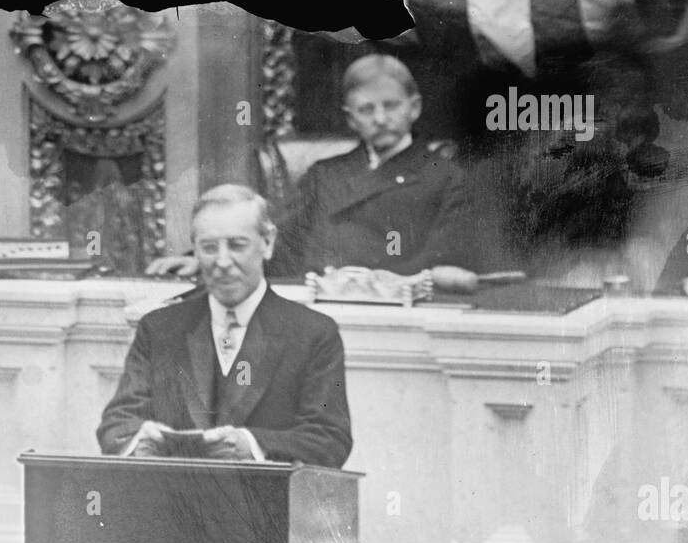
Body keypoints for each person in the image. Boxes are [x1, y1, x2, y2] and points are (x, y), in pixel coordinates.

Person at [148, 55, 473, 282]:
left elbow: (441, 258)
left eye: (391, 106)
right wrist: (203, 258)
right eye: (366, 109)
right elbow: (276, 236)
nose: (380, 118)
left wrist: (374, 283)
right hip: (313, 308)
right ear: (350, 118)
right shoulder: (325, 174)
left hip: (389, 313)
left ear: (414, 108)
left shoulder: (445, 177)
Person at [96, 185, 352, 467]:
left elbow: (330, 439)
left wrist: (251, 445)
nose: (222, 261)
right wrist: (139, 441)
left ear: (267, 243)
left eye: (237, 245)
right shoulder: (158, 330)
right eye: (208, 247)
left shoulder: (313, 333)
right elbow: (117, 424)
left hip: (267, 506)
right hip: (172, 502)